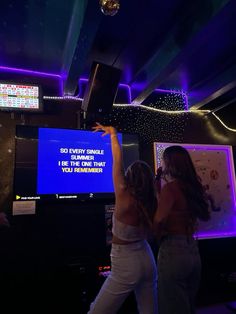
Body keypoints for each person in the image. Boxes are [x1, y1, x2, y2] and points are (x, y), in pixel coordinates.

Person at [88, 123, 158, 314]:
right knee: (149, 310)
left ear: (130, 176)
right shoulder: (153, 202)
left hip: (125, 261)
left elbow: (116, 160)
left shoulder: (123, 193)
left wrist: (113, 134)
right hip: (147, 257)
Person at [153, 145, 210, 314]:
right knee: (188, 304)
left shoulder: (170, 189)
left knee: (172, 307)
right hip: (192, 250)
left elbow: (159, 219)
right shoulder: (193, 187)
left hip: (172, 250)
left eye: (163, 160)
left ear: (170, 163)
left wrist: (153, 231)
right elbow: (203, 216)